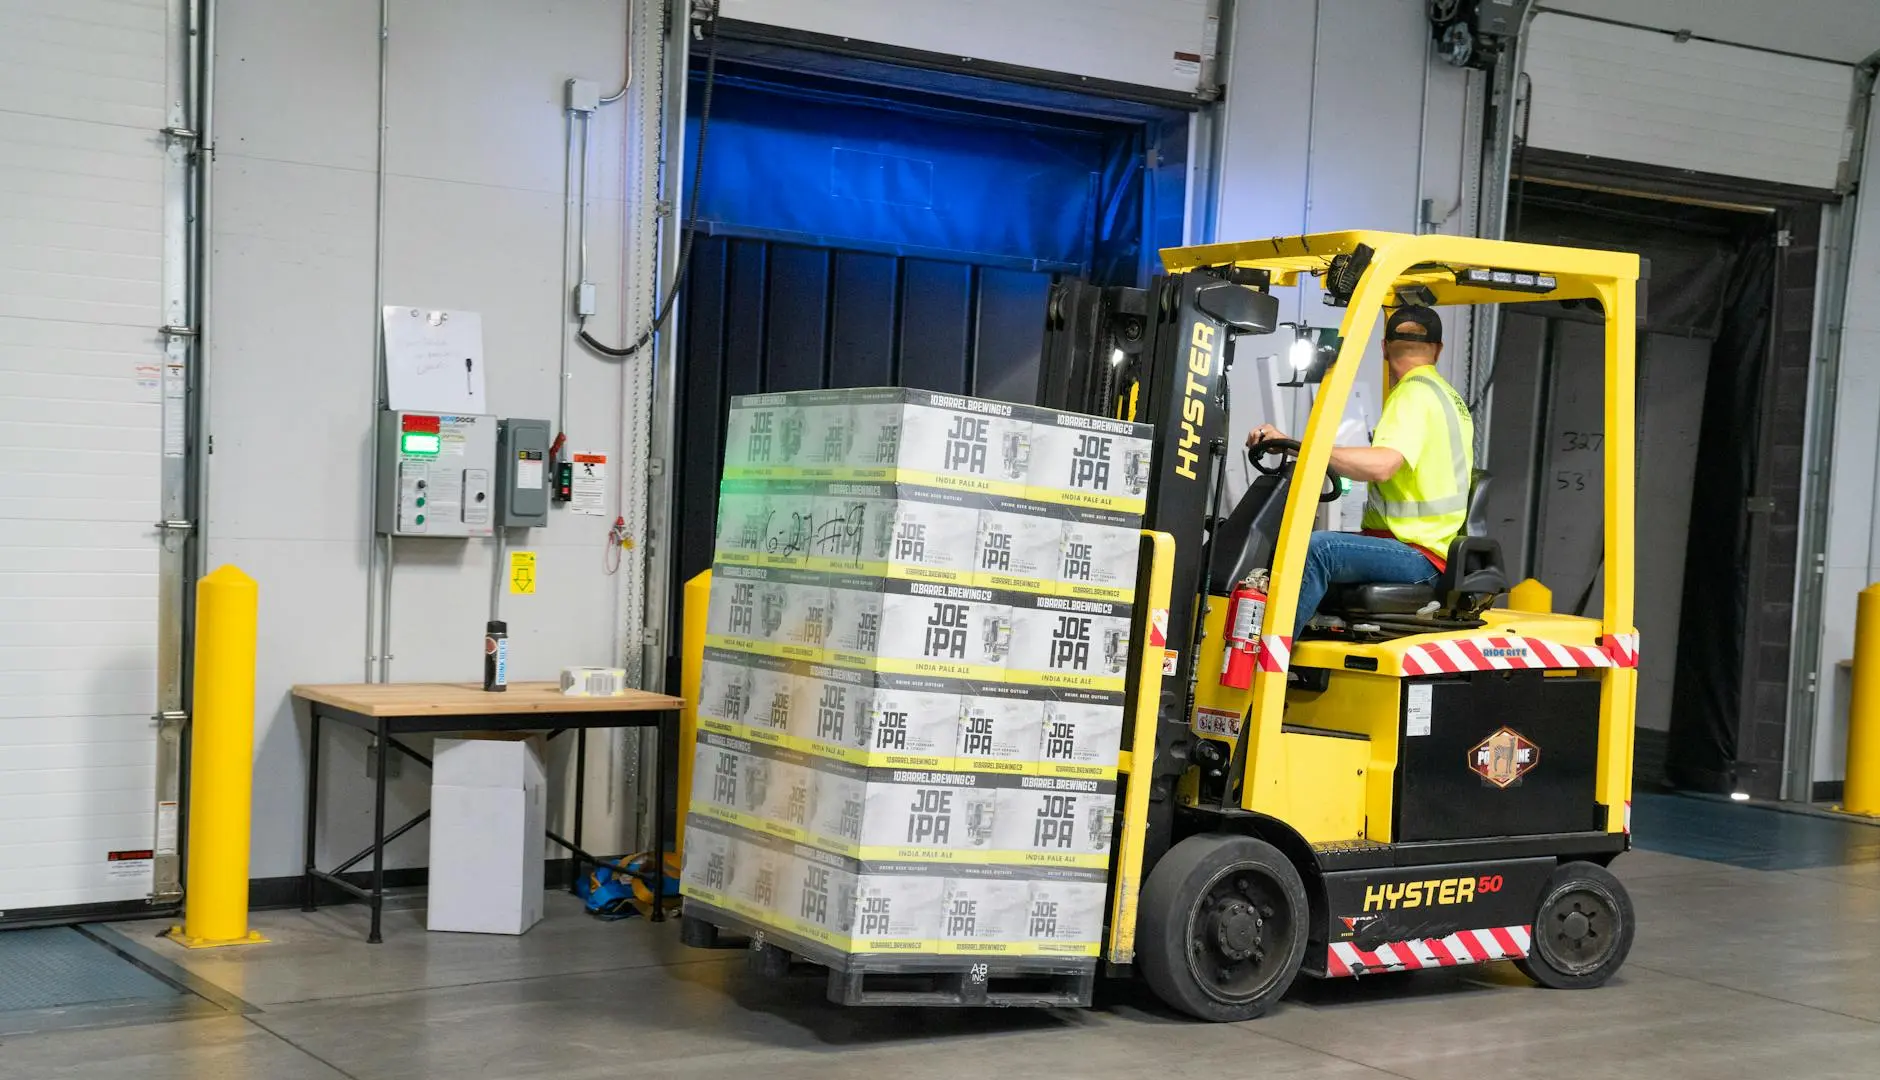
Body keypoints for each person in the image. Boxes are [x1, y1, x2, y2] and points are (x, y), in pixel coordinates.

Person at [1246, 305, 1474, 637]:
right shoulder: (1448, 397)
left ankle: (1267, 665)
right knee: (1305, 545)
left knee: (1317, 550)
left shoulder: (1413, 393)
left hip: (1418, 554)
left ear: (1383, 347)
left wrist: (1305, 447)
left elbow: (1382, 465)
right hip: (1427, 548)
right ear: (1438, 350)